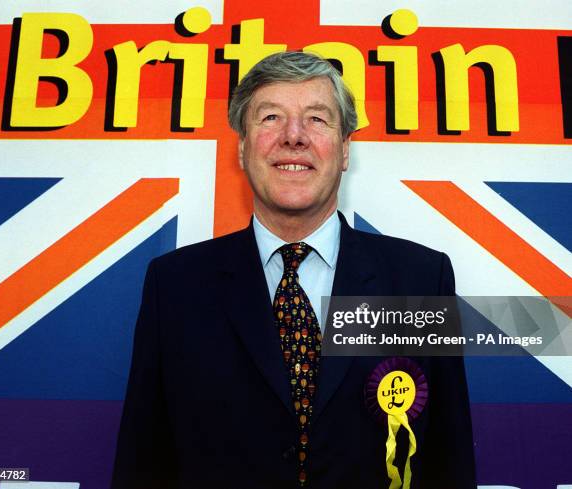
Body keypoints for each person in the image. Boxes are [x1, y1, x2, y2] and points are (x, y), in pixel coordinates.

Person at [111, 51, 476, 489]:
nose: (294, 137)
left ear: (344, 150)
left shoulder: (422, 278)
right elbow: (142, 460)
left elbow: (448, 458)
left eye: (317, 119)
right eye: (270, 118)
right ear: (243, 149)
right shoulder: (173, 285)